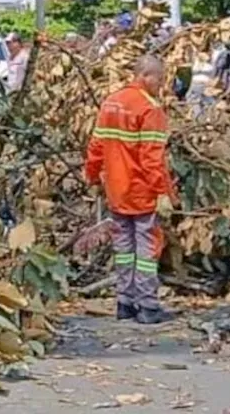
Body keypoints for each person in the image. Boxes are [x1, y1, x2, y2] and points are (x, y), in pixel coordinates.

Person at [85, 56, 177, 325]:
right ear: (147, 76)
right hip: (142, 190)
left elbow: (96, 146)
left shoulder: (111, 102)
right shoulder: (150, 109)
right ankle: (148, 306)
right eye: (160, 80)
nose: (161, 86)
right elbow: (151, 159)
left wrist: (92, 177)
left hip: (115, 189)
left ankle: (125, 302)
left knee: (123, 246)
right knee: (147, 248)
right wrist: (162, 193)